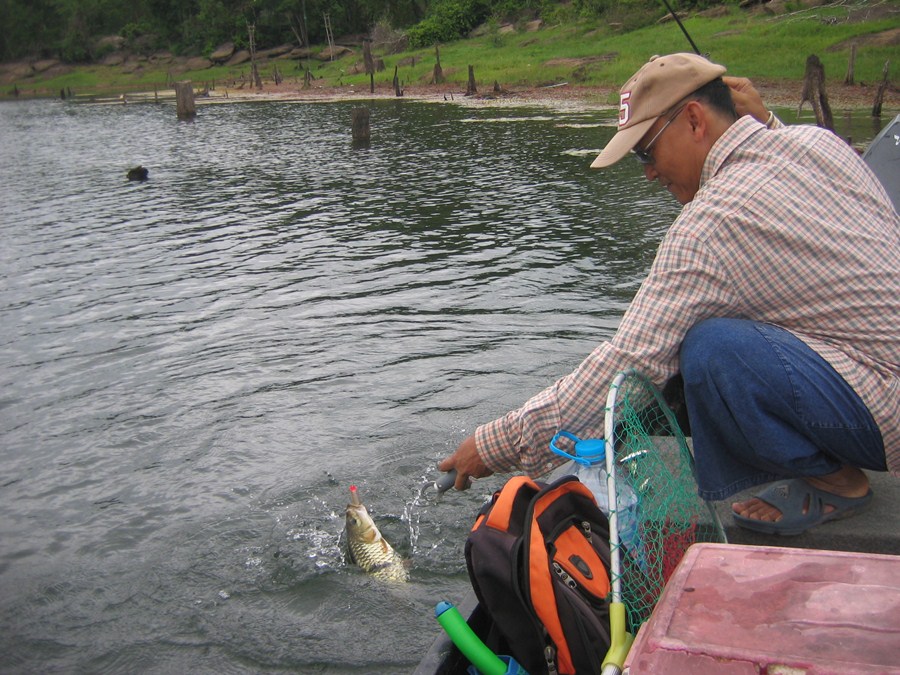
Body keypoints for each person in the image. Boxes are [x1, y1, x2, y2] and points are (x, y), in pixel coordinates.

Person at [439, 53, 899, 535]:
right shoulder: (816, 143)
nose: (649, 174)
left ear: (695, 120)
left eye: (647, 152)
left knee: (712, 347)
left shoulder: (711, 225)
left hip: (884, 411)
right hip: (876, 376)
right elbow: (781, 150)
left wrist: (494, 445)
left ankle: (836, 481)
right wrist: (764, 122)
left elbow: (625, 367)